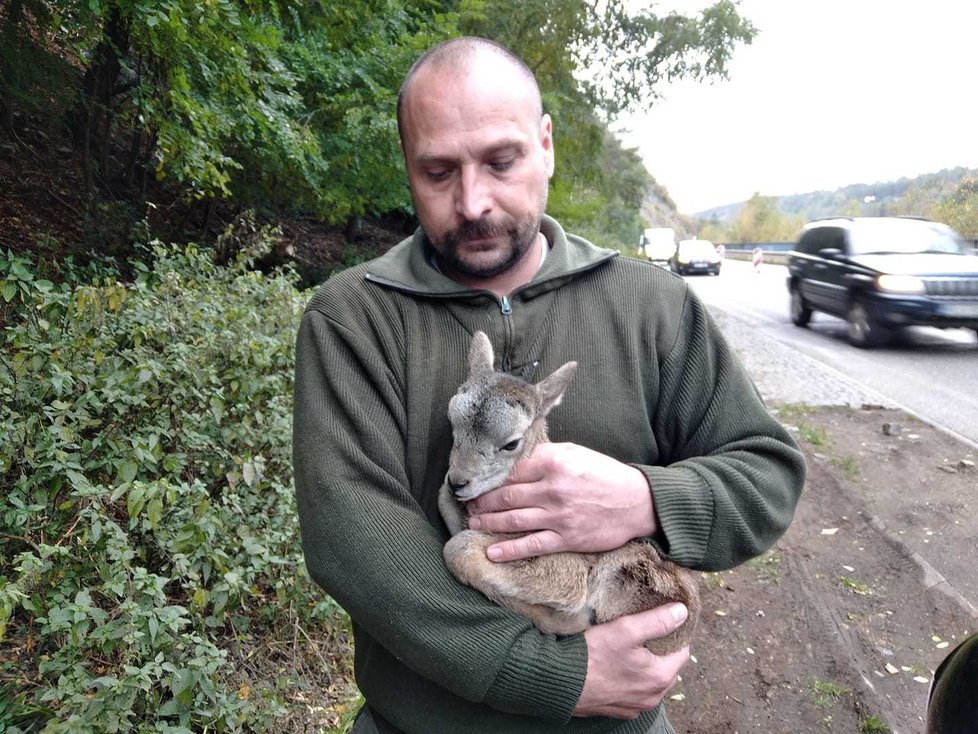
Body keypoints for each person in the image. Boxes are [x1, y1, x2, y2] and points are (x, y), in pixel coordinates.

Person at [293, 36, 806, 734]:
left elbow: (767, 475)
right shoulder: (355, 318)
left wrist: (643, 498)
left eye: (501, 161)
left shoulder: (651, 306)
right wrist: (549, 672)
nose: (472, 201)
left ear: (547, 145)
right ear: (406, 167)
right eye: (437, 171)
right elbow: (352, 542)